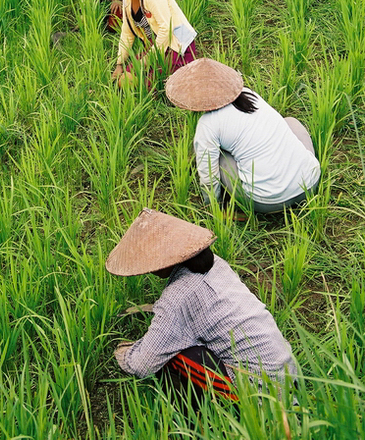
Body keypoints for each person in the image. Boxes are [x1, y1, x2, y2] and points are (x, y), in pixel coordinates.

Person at [106, 208, 297, 408]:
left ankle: (193, 415)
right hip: (286, 371)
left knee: (173, 357)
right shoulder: (218, 265)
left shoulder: (177, 298)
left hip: (261, 394)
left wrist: (122, 352)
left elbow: (142, 365)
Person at [165, 58, 321, 215]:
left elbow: (208, 178)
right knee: (290, 122)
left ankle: (236, 203)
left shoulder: (208, 125)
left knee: (218, 158)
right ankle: (302, 168)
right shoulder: (249, 95)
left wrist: (212, 207)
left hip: (267, 202)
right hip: (310, 184)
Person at [104, 0, 197, 88]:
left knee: (151, 86)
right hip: (156, 47)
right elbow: (127, 33)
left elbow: (166, 29)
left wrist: (147, 60)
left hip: (176, 47)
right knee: (125, 79)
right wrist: (119, 64)